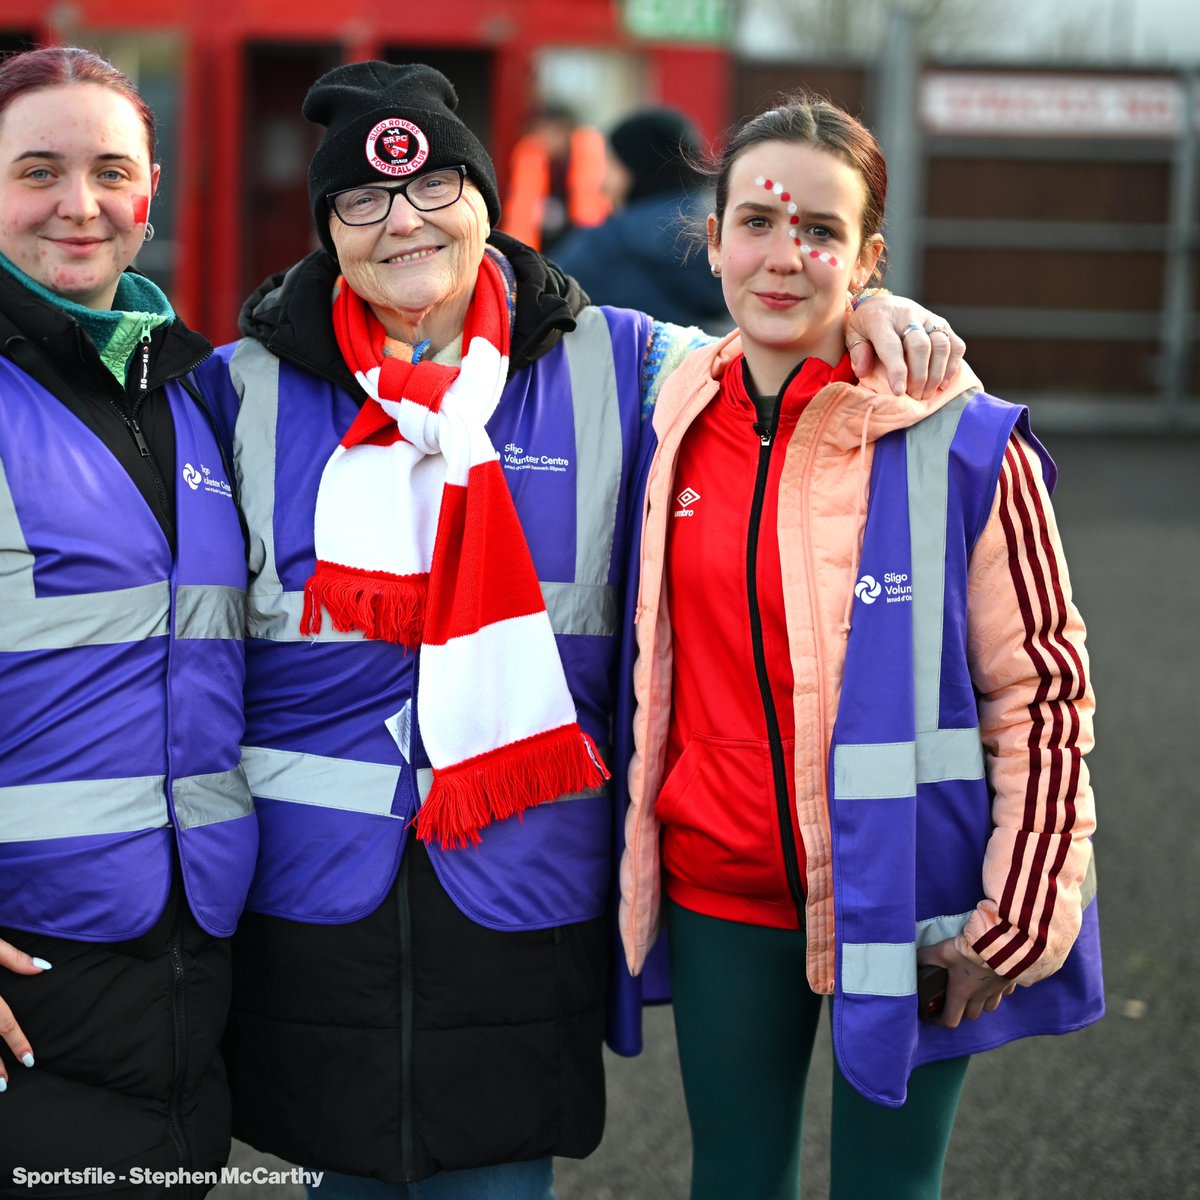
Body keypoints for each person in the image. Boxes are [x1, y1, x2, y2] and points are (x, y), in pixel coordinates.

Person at [195, 60, 967, 1199]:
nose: (402, 222)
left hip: (522, 893)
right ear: (328, 233)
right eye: (361, 201)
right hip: (318, 910)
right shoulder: (241, 387)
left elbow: (771, 350)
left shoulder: (625, 361)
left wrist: (871, 313)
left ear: (483, 200)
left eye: (433, 187)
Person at [617, 92, 1105, 1199]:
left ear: (868, 257)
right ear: (713, 240)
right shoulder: (666, 410)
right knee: (734, 1180)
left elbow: (1045, 690)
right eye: (758, 222)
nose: (784, 257)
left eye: (821, 231)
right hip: (722, 892)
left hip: (914, 900)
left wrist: (1021, 914)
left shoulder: (970, 443)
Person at [0, 46, 256, 1187]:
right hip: (30, 975)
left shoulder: (195, 394)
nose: (79, 204)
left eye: (111, 170)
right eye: (36, 171)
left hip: (183, 980)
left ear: (150, 194)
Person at [554, 105, 728, 332]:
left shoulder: (606, 244)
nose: (603, 183)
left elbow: (542, 294)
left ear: (636, 168)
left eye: (612, 165)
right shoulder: (731, 229)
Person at [499, 103, 609, 254]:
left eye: (542, 132)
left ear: (561, 129)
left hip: (582, 249)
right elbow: (521, 215)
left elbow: (596, 214)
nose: (538, 139)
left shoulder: (590, 159)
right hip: (544, 253)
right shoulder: (534, 159)